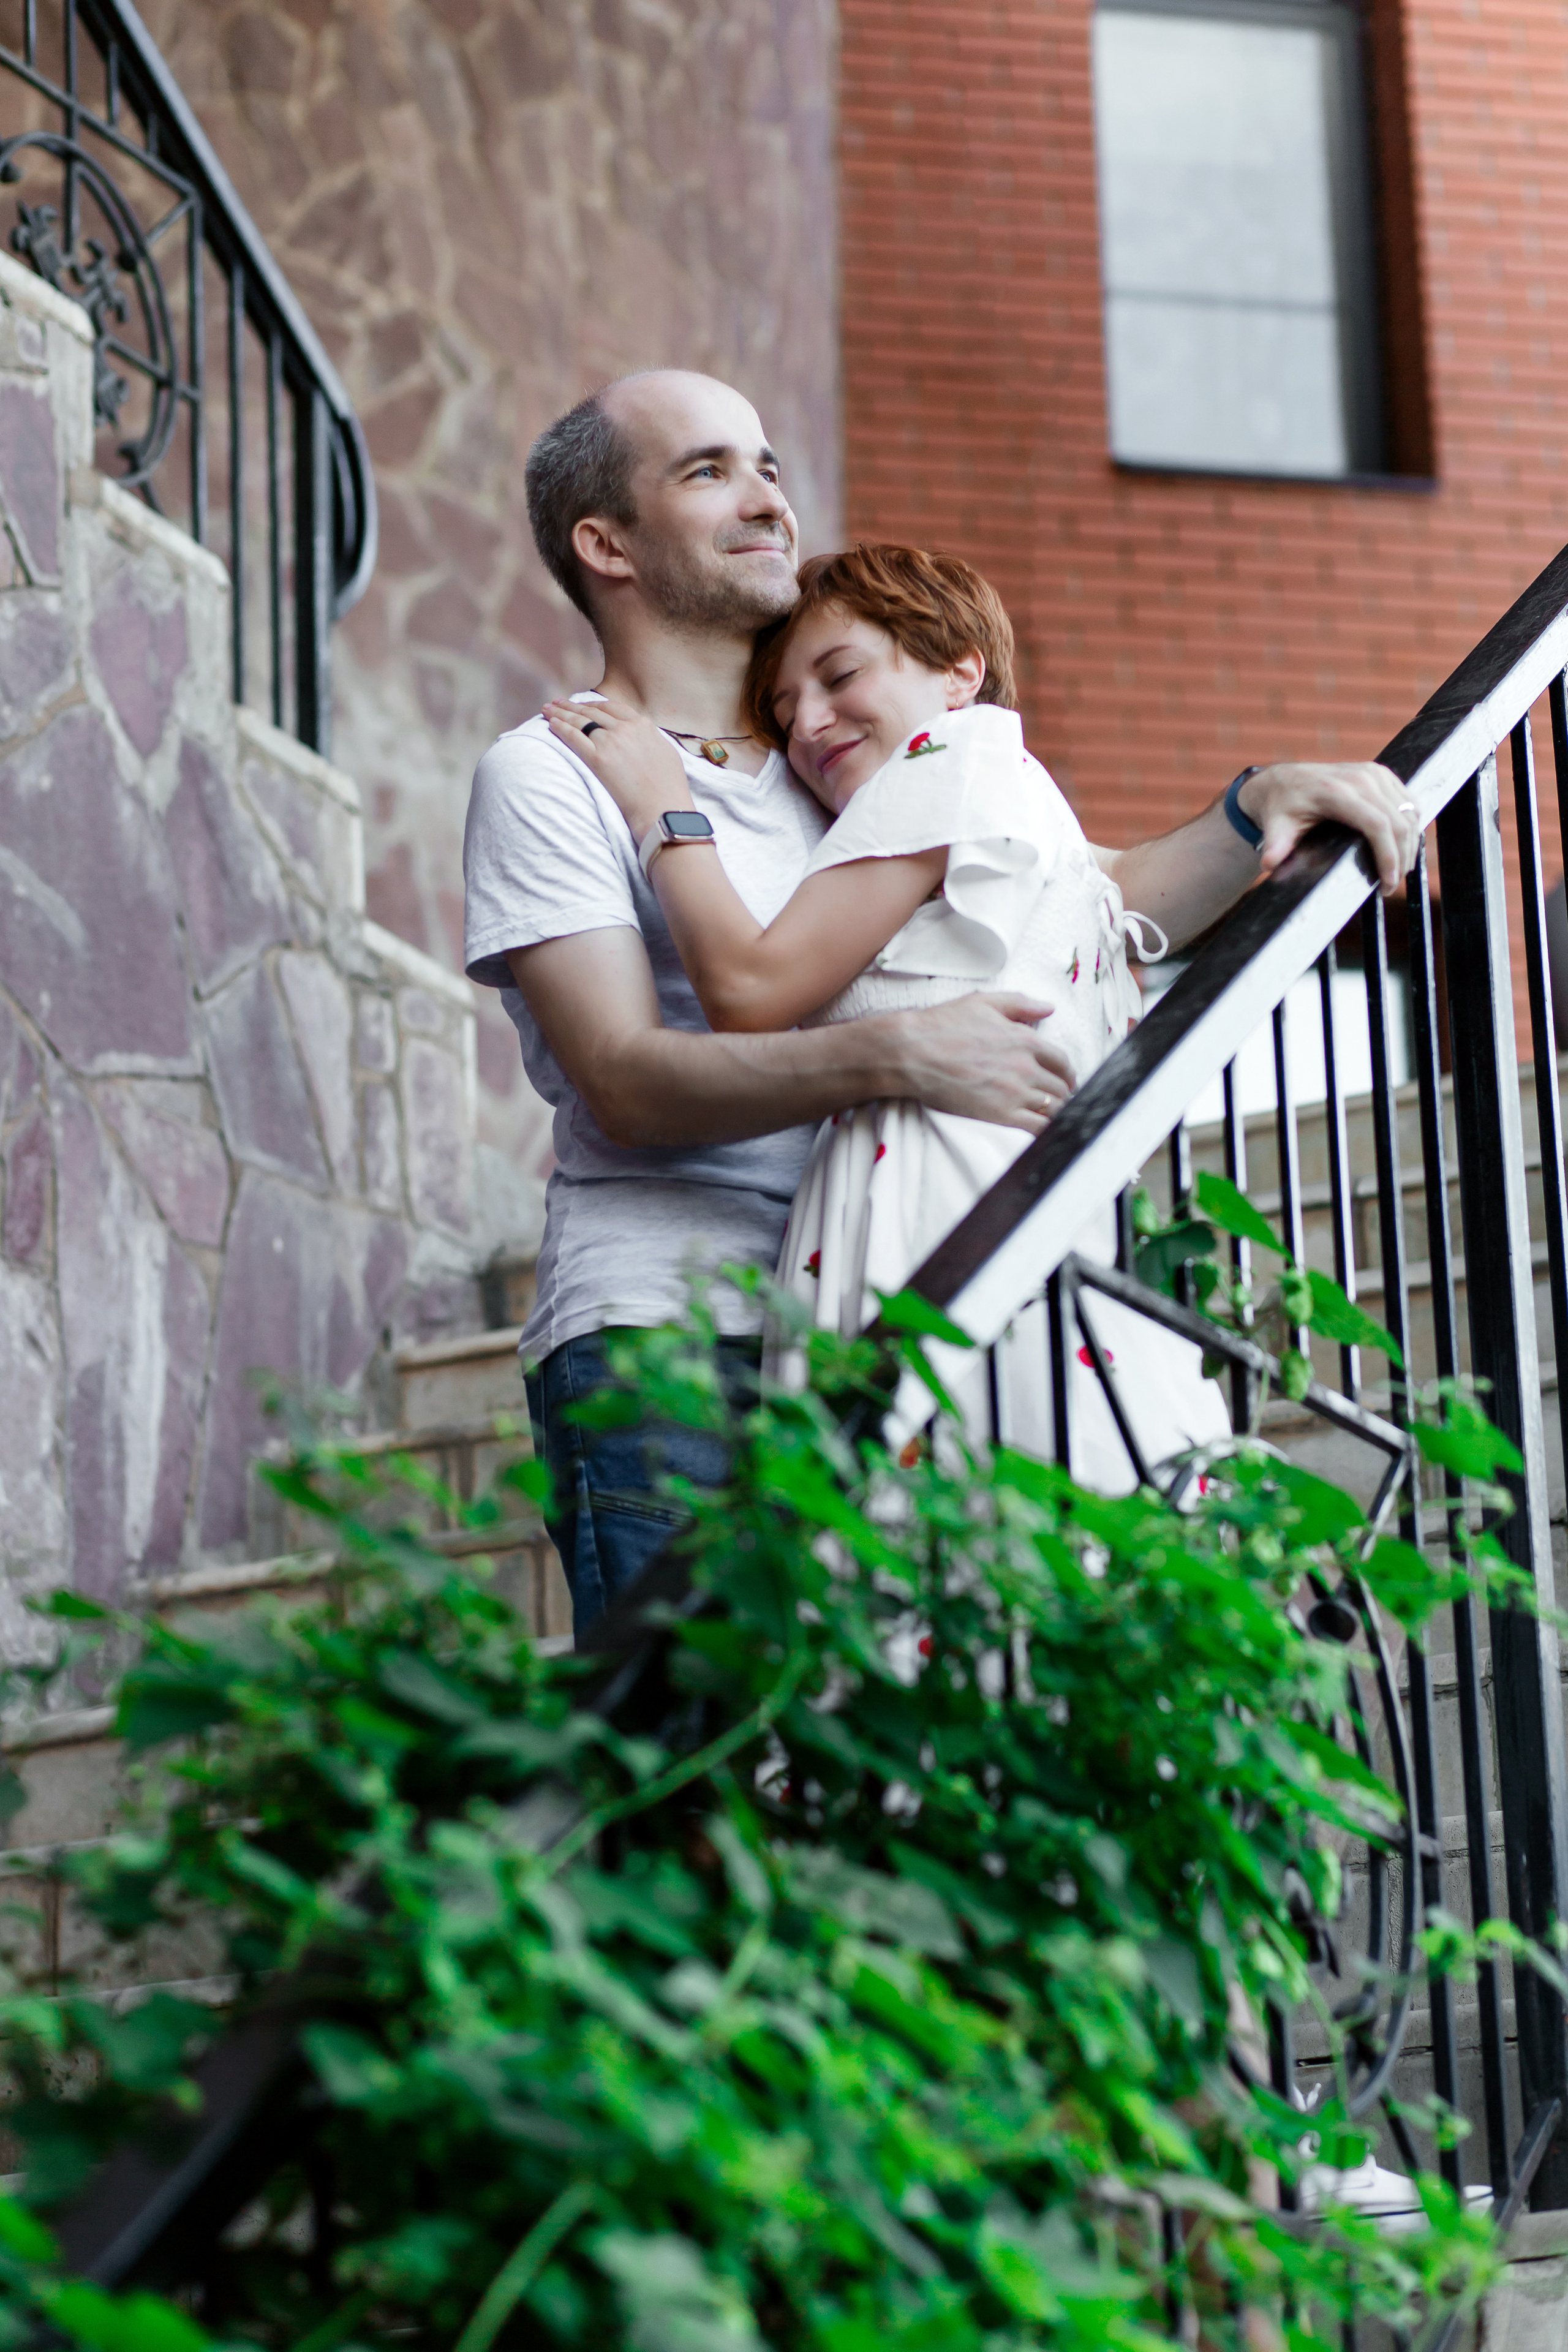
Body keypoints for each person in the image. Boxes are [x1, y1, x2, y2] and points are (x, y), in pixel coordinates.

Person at [464, 370, 1420, 1634]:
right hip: (671, 1333)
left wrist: (1261, 802)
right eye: (707, 472)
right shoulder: (551, 772)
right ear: (605, 544)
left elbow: (1079, 894)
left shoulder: (846, 757)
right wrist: (897, 1053)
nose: (765, 497)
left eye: (766, 464)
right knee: (700, 1785)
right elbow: (626, 1081)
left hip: (885, 1295)